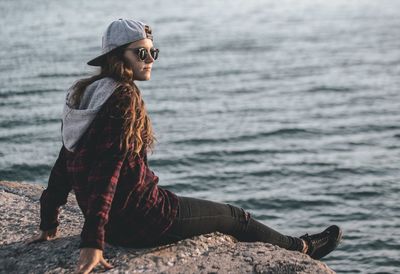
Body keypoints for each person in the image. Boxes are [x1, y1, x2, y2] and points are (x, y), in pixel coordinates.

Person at [24, 19, 343, 274]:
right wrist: (92, 242)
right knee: (236, 217)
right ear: (118, 56)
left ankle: (299, 245)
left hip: (117, 221)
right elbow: (110, 167)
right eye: (141, 53)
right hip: (142, 219)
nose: (150, 60)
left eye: (153, 52)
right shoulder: (123, 96)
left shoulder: (86, 93)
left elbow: (65, 158)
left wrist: (48, 220)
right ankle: (302, 248)